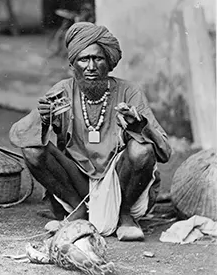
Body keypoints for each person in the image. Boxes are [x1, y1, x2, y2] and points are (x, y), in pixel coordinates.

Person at [10, 22, 171, 241]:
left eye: (98, 58)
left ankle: (124, 215)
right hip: (78, 181)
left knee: (142, 151)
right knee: (33, 151)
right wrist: (44, 120)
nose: (91, 67)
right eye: (84, 59)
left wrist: (139, 127)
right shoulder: (62, 91)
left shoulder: (128, 91)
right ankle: (78, 210)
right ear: (72, 64)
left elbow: (164, 151)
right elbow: (19, 136)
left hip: (119, 181)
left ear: (109, 63)